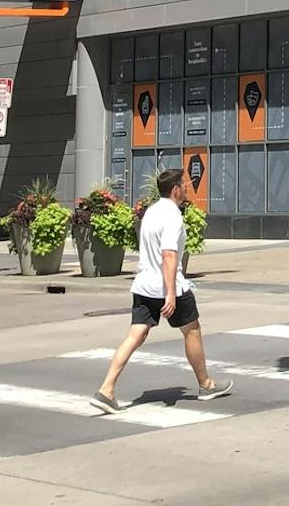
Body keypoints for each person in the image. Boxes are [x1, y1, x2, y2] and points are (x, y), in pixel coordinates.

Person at [93, 168, 230, 414]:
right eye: (184, 185)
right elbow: (168, 254)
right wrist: (170, 294)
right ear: (176, 189)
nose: (187, 188)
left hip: (144, 285)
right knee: (192, 331)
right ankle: (206, 384)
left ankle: (107, 389)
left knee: (135, 335)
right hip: (169, 287)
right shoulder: (173, 217)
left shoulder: (151, 212)